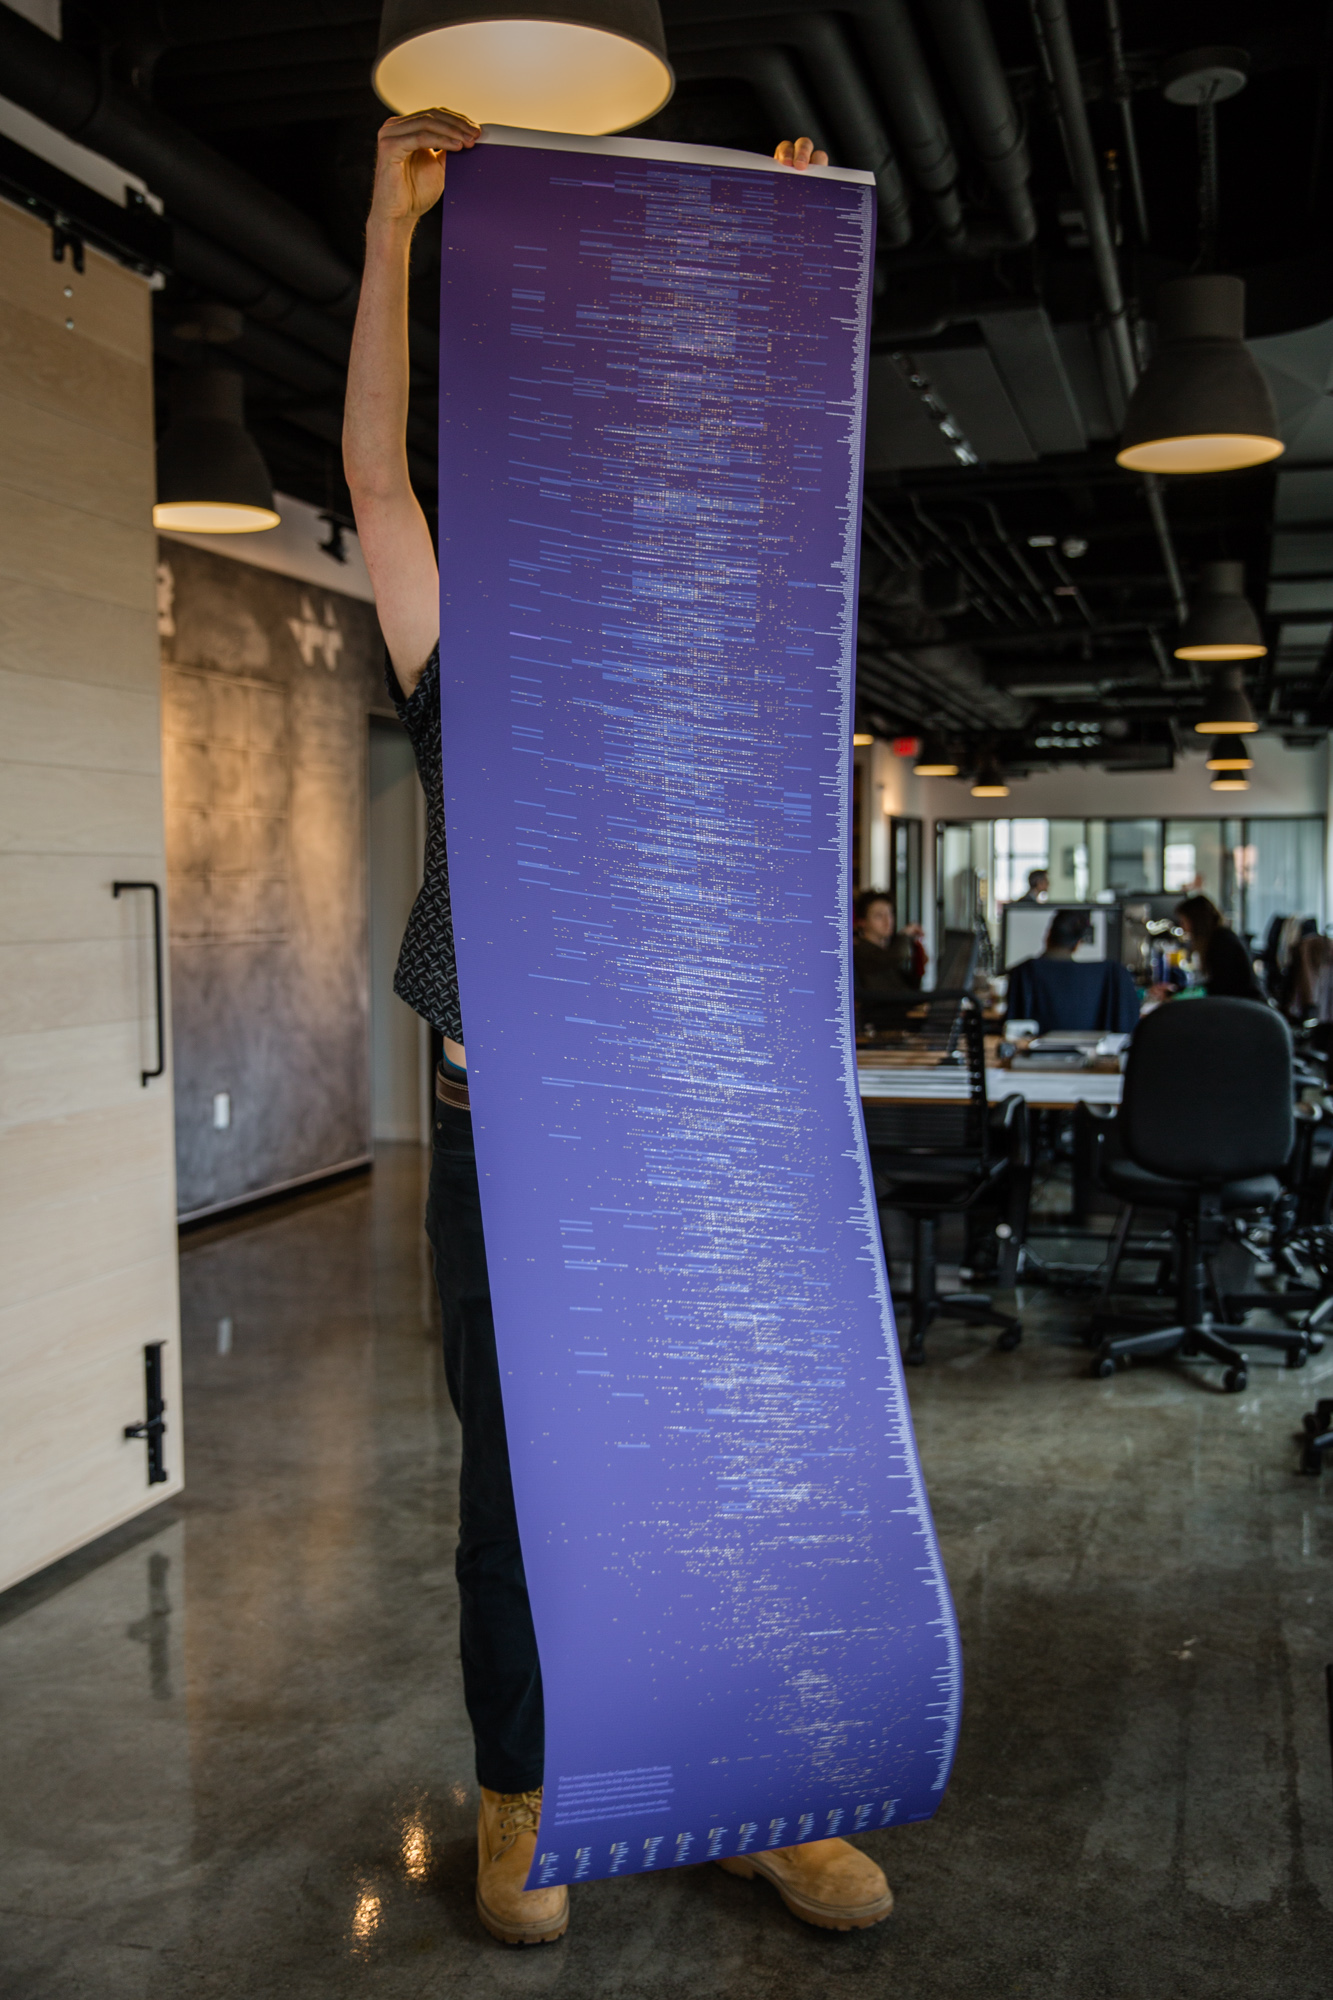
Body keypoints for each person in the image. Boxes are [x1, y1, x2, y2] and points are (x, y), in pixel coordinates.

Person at [343, 112, 894, 1948]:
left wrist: (783, 260)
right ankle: (525, 1794)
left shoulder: (712, 661)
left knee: (717, 1466)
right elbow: (374, 482)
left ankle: (747, 1792)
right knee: (515, 1486)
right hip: (504, 1136)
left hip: (687, 1130)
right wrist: (387, 232)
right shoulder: (465, 652)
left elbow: (764, 478)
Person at [1006, 908, 1139, 1034]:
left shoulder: (1024, 972)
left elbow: (1013, 1028)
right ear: (1077, 944)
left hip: (1035, 1056)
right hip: (1095, 1056)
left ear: (1048, 936)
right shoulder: (1113, 972)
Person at [1148, 895, 1263, 1003]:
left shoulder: (1221, 942)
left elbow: (1217, 989)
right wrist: (1177, 991)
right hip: (1242, 1005)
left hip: (1247, 1009)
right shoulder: (1220, 937)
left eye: (1184, 921)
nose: (1182, 927)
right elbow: (1214, 986)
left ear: (1195, 921)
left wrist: (1177, 994)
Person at [853, 888, 924, 1015]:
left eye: (890, 914)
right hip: (885, 1019)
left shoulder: (886, 951)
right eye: (879, 916)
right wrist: (905, 935)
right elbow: (895, 956)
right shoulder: (859, 950)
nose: (888, 921)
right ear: (862, 922)